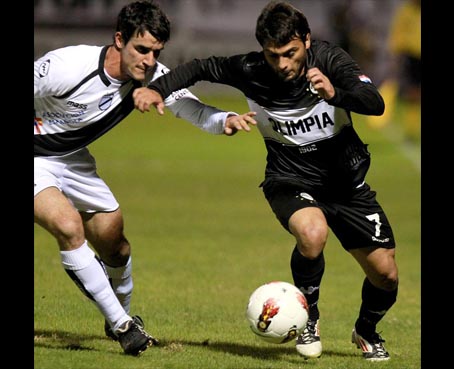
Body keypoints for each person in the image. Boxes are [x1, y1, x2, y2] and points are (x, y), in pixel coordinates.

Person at [133, 0, 399, 361]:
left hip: (346, 186)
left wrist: (336, 94)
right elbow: (199, 67)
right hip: (289, 179)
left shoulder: (330, 61)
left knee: (386, 275)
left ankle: (366, 331)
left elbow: (375, 102)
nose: (283, 64)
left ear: (306, 40)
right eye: (274, 56)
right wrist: (157, 88)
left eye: (290, 53)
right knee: (312, 232)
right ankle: (309, 316)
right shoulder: (250, 69)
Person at [34, 0, 256, 357]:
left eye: (155, 52)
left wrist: (225, 119)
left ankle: (115, 317)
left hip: (73, 160)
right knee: (68, 226)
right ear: (119, 39)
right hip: (35, 157)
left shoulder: (152, 76)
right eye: (141, 49)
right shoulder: (66, 66)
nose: (149, 60)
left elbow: (194, 110)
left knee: (116, 245)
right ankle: (124, 326)